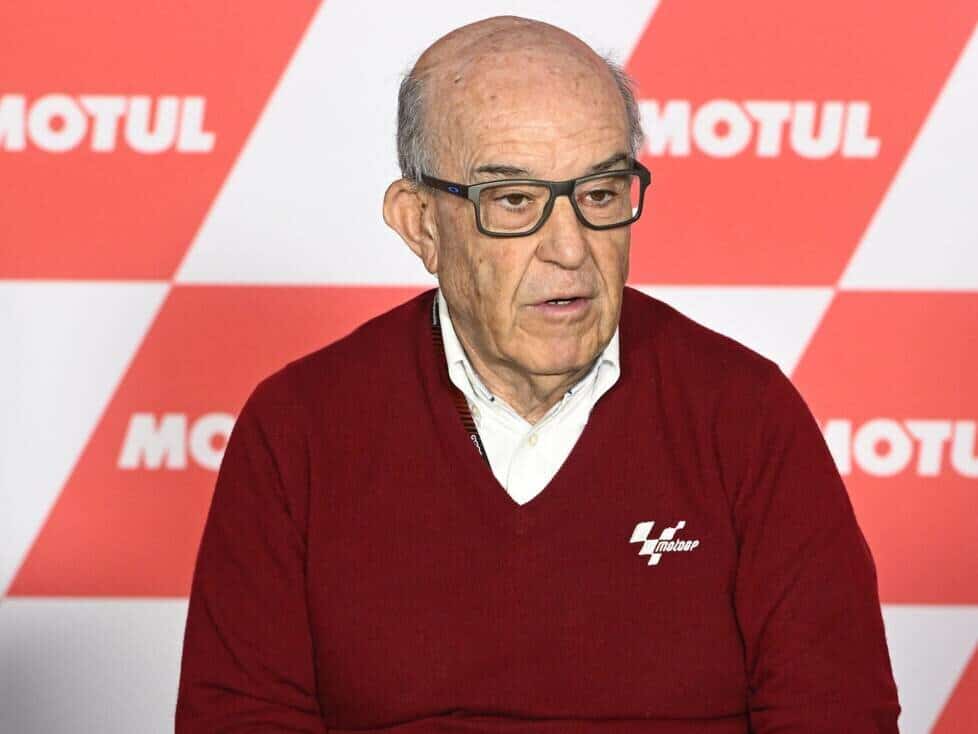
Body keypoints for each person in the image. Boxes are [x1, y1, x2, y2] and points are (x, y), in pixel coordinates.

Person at [175, 15, 901, 733]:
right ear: (421, 223)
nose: (570, 249)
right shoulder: (299, 428)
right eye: (515, 201)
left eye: (601, 194)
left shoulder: (746, 416)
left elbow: (837, 713)